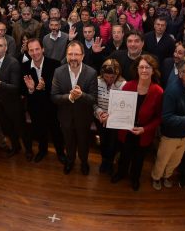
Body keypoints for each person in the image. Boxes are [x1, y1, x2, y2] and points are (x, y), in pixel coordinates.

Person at [112, 55, 163, 191]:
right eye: (141, 67)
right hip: (126, 130)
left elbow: (159, 117)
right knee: (124, 154)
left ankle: (135, 178)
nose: (144, 70)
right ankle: (121, 173)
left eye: (148, 67)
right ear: (137, 69)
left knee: (139, 159)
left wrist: (144, 129)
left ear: (153, 70)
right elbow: (118, 108)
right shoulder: (129, 85)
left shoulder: (158, 91)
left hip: (143, 133)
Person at [151, 56, 185, 190]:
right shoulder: (172, 91)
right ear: (180, 74)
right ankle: (156, 177)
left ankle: (167, 176)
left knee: (175, 160)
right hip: (170, 135)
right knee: (163, 159)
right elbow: (166, 117)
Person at [51, 41, 98, 176]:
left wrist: (81, 95)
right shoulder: (58, 72)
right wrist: (70, 97)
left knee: (84, 143)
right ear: (66, 56)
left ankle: (84, 162)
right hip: (65, 118)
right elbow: (54, 96)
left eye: (76, 54)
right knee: (69, 142)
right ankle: (70, 161)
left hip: (83, 118)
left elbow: (93, 99)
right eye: (70, 54)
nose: (73, 58)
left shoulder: (91, 73)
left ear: (83, 56)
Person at [22, 39, 66, 164]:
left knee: (56, 131)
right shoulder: (24, 67)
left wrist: (45, 87)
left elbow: (60, 88)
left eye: (37, 49)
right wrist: (30, 90)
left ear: (43, 49)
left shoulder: (55, 64)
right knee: (40, 130)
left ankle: (60, 152)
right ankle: (42, 150)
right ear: (28, 52)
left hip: (52, 106)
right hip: (35, 107)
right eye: (31, 50)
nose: (35, 52)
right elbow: (21, 90)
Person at [93, 59, 126, 174]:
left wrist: (111, 116)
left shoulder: (123, 84)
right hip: (100, 117)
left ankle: (110, 162)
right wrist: (100, 113)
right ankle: (104, 161)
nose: (109, 80)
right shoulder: (96, 81)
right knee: (103, 141)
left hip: (115, 120)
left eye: (112, 77)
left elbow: (124, 106)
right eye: (106, 77)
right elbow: (93, 101)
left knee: (113, 142)